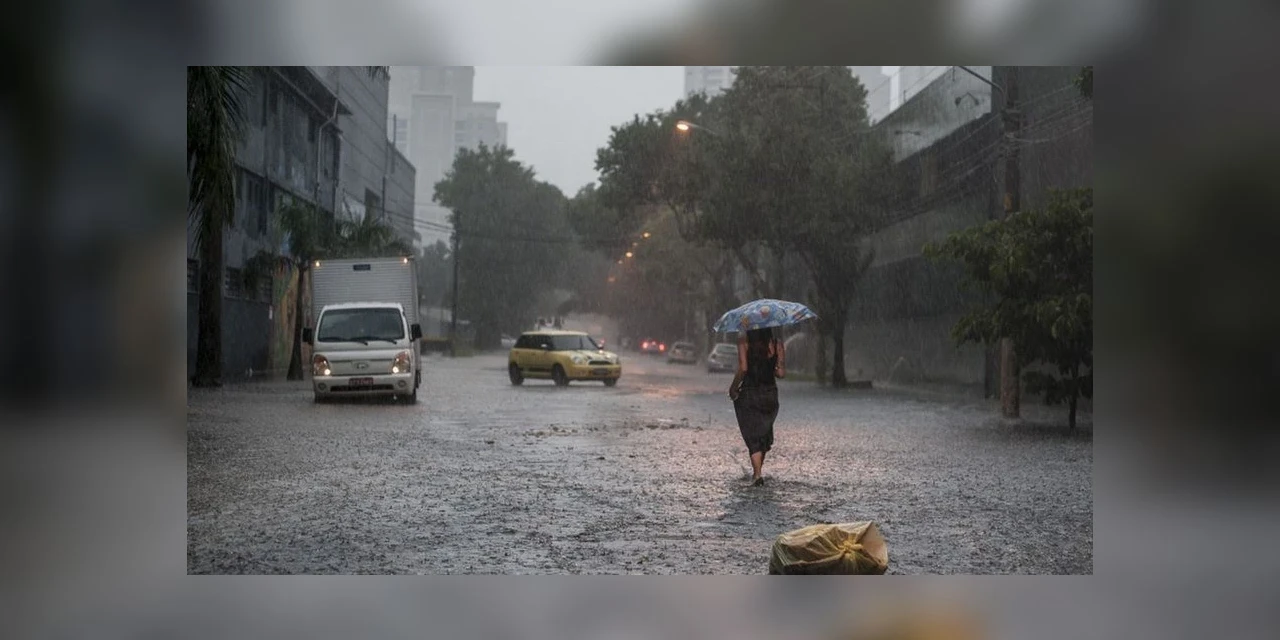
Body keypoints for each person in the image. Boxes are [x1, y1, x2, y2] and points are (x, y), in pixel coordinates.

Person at [729, 327, 786, 486]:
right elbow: (781, 373)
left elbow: (743, 368)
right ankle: (758, 471)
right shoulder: (776, 343)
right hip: (770, 395)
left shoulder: (743, 340)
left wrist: (733, 387)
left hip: (750, 393)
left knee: (752, 435)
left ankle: (757, 474)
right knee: (763, 434)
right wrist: (771, 365)